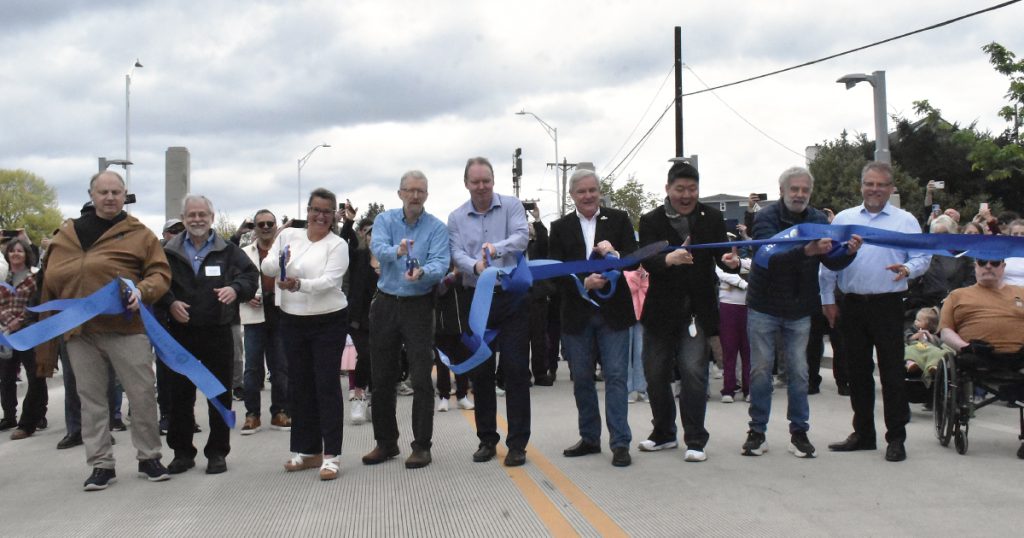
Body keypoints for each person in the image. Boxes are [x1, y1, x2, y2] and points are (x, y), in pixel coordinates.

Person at [37, 170, 171, 491]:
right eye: (103, 192)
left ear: (125, 195)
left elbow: (160, 273)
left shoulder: (140, 234)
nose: (110, 197)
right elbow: (49, 283)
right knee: (91, 400)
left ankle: (149, 456)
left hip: (127, 328)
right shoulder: (68, 234)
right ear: (91, 194)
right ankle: (101, 464)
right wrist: (47, 340)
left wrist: (143, 290)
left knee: (141, 395)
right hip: (80, 332)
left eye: (116, 192)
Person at [742, 166, 860, 458]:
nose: (799, 194)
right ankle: (757, 431)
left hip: (801, 308)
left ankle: (799, 433)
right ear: (782, 190)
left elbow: (831, 261)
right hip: (764, 306)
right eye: (794, 189)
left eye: (805, 190)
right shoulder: (765, 218)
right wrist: (806, 251)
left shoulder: (819, 219)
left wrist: (848, 253)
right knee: (760, 372)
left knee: (799, 373)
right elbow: (766, 257)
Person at [820, 161, 931, 462]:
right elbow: (828, 261)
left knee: (892, 373)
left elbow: (923, 256)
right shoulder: (845, 218)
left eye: (881, 184)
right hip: (852, 303)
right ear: (861, 186)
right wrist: (827, 299)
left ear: (891, 188)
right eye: (870, 183)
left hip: (888, 304)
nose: (875, 189)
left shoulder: (905, 221)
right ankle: (864, 433)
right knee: (857, 372)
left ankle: (896, 437)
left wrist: (907, 268)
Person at [637, 161, 739, 462]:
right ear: (668, 189)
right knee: (655, 374)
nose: (686, 195)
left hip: (697, 310)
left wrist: (730, 262)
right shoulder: (651, 219)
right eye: (680, 189)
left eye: (692, 189)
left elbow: (721, 257)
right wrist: (669, 259)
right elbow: (646, 258)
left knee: (694, 373)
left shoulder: (711, 218)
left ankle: (695, 438)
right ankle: (664, 433)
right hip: (660, 311)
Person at [158, 195, 258, 475]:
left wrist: (236, 289)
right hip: (179, 335)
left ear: (212, 218)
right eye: (191, 215)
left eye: (203, 214)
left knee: (219, 395)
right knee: (179, 397)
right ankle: (182, 452)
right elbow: (155, 282)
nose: (197, 219)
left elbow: (251, 276)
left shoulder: (227, 250)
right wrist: (170, 303)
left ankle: (217, 452)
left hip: (218, 332)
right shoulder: (168, 250)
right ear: (183, 218)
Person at [548, 169, 639, 467]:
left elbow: (634, 259)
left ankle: (620, 442)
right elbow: (554, 271)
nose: (588, 196)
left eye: (592, 190)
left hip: (614, 313)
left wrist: (615, 253)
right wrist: (582, 283)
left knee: (615, 377)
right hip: (577, 314)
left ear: (599, 191)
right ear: (572, 195)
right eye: (581, 191)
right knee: (582, 379)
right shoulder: (559, 227)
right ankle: (589, 437)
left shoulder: (620, 219)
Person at [361, 170, 450, 469]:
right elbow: (377, 248)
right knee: (382, 377)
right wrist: (396, 251)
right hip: (386, 302)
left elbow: (441, 261)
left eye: (420, 191)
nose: (415, 196)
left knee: (423, 377)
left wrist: (423, 271)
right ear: (399, 193)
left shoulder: (437, 227)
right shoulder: (385, 220)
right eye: (410, 190)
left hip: (419, 305)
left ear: (426, 194)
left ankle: (421, 445)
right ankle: (385, 443)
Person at [447, 156, 531, 467]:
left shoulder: (511, 206)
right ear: (466, 183)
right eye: (475, 181)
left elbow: (522, 237)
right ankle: (487, 439)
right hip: (476, 298)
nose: (481, 187)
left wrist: (497, 249)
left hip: (512, 297)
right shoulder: (456, 217)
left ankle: (518, 443)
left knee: (516, 369)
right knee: (480, 371)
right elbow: (455, 252)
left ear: (494, 181)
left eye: (486, 180)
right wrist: (475, 265)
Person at [261, 188, 349, 481]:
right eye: (315, 209)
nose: (320, 216)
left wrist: (299, 285)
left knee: (326, 385)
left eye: (327, 211)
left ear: (334, 215)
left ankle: (331, 455)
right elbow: (268, 266)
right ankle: (306, 450)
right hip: (292, 319)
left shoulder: (337, 245)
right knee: (299, 386)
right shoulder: (288, 236)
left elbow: (330, 281)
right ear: (307, 210)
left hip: (328, 321)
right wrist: (278, 262)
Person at [939, 256, 1024, 458]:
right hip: (977, 354)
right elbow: (945, 331)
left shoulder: (1020, 292)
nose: (988, 266)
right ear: (975, 266)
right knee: (967, 360)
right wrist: (964, 347)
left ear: (1003, 267)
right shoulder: (958, 295)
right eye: (983, 262)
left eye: (995, 263)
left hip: (1019, 354)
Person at [239, 209, 291, 435]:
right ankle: (252, 415)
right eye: (261, 224)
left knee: (280, 367)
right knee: (252, 369)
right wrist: (245, 295)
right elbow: (235, 281)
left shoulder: (288, 250)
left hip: (280, 313)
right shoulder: (243, 253)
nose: (266, 227)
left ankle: (280, 412)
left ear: (276, 224)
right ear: (255, 228)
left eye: (270, 223)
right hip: (253, 316)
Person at [0, 238, 47, 440]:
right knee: (6, 377)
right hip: (6, 334)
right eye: (12, 251)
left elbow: (37, 303)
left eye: (20, 251)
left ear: (27, 254)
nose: (16, 254)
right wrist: (7, 322)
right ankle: (9, 416)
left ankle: (34, 417)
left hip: (29, 332)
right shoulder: (4, 278)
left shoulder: (34, 277)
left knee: (35, 375)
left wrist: (20, 321)